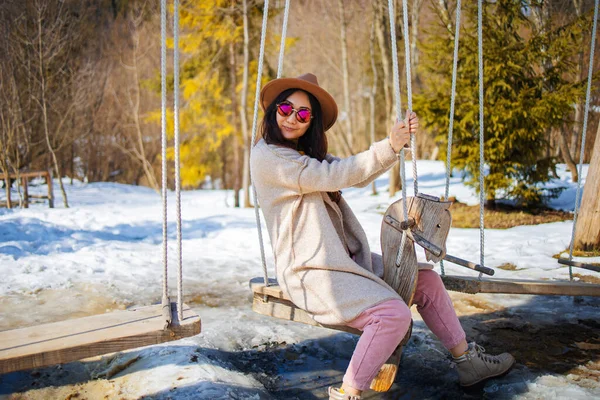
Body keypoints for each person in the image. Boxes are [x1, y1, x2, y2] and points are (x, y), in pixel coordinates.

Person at [250, 73, 515, 400]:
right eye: (286, 108)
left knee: (425, 279)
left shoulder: (303, 156)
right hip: (309, 272)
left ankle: (468, 361)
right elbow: (338, 174)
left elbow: (351, 172)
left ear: (312, 123)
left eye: (303, 114)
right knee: (392, 315)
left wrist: (395, 144)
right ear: (274, 109)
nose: (291, 118)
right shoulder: (269, 158)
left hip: (338, 262)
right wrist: (390, 145)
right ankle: (348, 393)